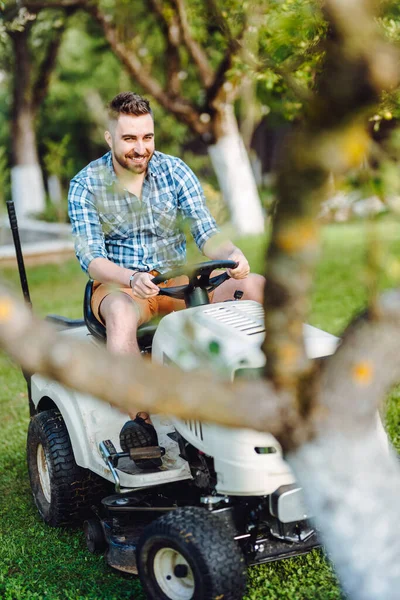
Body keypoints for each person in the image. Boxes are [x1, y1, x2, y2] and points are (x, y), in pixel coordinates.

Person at [68, 91, 265, 459]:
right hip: (119, 286)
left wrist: (232, 253)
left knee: (256, 285)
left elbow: (206, 233)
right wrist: (129, 278)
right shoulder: (85, 184)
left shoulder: (174, 170)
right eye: (129, 138)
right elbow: (91, 258)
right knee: (122, 314)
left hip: (176, 282)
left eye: (147, 137)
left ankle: (268, 392)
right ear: (109, 137)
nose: (141, 148)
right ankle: (140, 425)